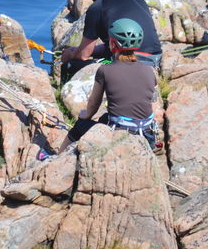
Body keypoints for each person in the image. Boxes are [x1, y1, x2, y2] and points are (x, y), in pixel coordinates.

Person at [57, 18, 157, 153]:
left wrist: (84, 115)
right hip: (146, 134)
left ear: (113, 43)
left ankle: (58, 157)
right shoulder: (148, 70)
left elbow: (93, 104)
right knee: (105, 117)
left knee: (80, 126)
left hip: (120, 134)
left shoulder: (105, 70)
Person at [59, 0, 162, 81]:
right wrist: (81, 50)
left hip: (127, 63)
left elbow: (83, 55)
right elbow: (119, 45)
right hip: (154, 61)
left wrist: (71, 54)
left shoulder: (97, 7)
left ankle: (65, 98)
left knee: (70, 66)